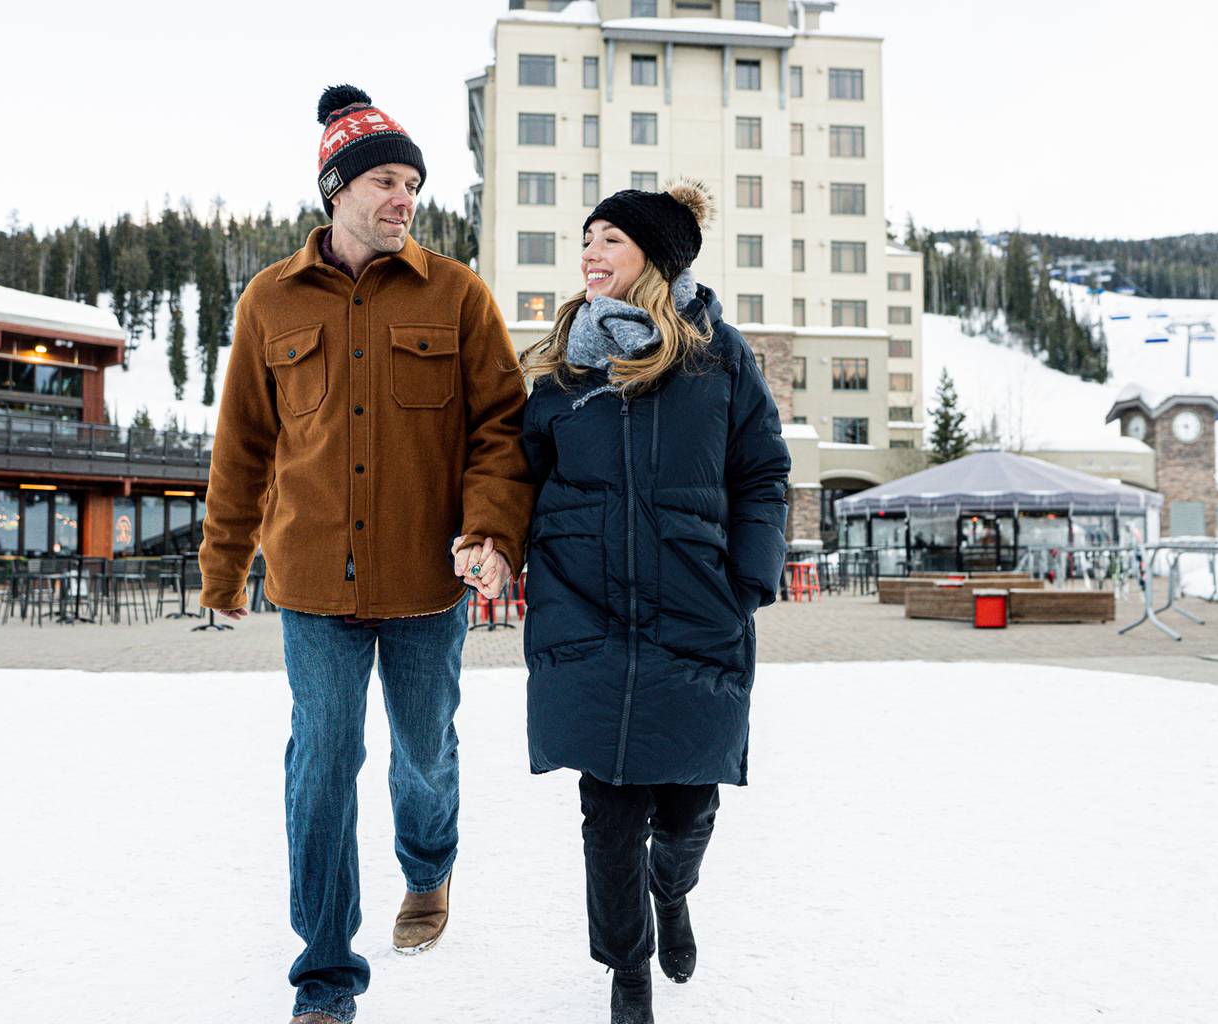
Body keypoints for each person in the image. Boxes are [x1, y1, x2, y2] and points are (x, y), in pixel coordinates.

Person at [198, 84, 532, 1024]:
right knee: (323, 760)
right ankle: (326, 972)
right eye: (387, 179)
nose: (404, 199)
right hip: (310, 584)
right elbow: (243, 448)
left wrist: (489, 532)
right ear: (336, 188)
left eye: (414, 184)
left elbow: (501, 428)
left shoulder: (458, 294)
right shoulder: (269, 301)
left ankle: (428, 869)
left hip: (431, 583)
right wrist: (223, 569)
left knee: (425, 750)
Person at [519, 181, 791, 1023]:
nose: (591, 254)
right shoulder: (564, 366)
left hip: (695, 611)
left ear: (656, 260)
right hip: (586, 609)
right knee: (606, 816)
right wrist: (495, 545)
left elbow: (762, 473)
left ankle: (671, 895)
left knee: (685, 811)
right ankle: (625, 969)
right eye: (587, 239)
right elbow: (515, 475)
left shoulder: (719, 355)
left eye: (611, 240)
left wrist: (747, 578)